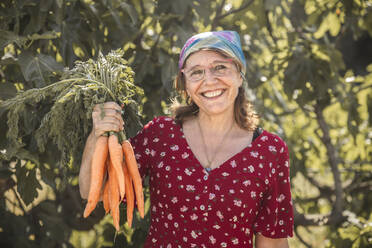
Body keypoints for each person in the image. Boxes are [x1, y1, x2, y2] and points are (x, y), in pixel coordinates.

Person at [79, 30, 294, 248]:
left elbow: (272, 240)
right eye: (196, 72)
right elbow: (92, 192)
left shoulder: (269, 151)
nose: (209, 81)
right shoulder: (160, 135)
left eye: (220, 67)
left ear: (239, 75)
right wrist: (97, 135)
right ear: (185, 85)